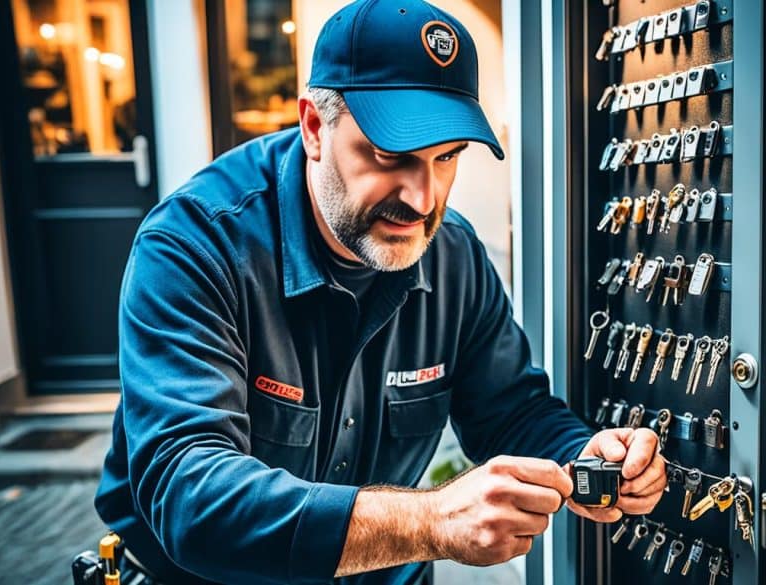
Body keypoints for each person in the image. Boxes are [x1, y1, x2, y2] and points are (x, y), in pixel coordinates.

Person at [94, 1, 667, 583]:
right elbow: (193, 500)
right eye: (391, 155)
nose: (421, 199)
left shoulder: (453, 255)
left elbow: (509, 410)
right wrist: (431, 522)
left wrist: (589, 454)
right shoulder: (194, 247)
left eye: (446, 159)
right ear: (315, 128)